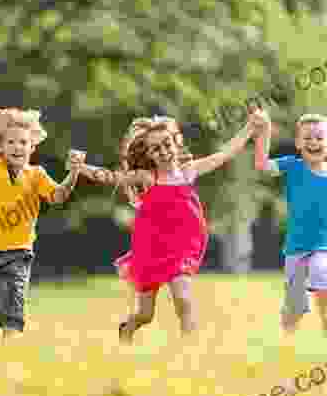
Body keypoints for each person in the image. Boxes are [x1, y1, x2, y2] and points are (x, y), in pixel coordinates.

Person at [79, 111, 260, 345]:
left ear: (176, 142)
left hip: (183, 246)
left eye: (167, 144)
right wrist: (81, 168)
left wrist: (249, 129)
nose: (164, 151)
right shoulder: (147, 177)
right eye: (156, 149)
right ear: (149, 154)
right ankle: (128, 328)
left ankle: (190, 349)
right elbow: (112, 177)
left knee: (183, 298)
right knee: (145, 314)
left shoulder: (188, 171)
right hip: (151, 248)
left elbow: (224, 154)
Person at [0, 108, 84, 342]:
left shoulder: (37, 175)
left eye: (23, 142)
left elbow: (58, 196)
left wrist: (74, 173)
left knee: (13, 306)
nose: (17, 147)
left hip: (18, 252)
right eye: (10, 142)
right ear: (0, 147)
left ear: (32, 147)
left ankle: (10, 351)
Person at [253, 111, 327, 338]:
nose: (313, 142)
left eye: (319, 137)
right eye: (307, 138)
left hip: (323, 246)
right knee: (294, 308)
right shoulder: (292, 166)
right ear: (297, 143)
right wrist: (264, 132)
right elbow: (262, 165)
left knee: (321, 273)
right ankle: (287, 337)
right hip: (296, 248)